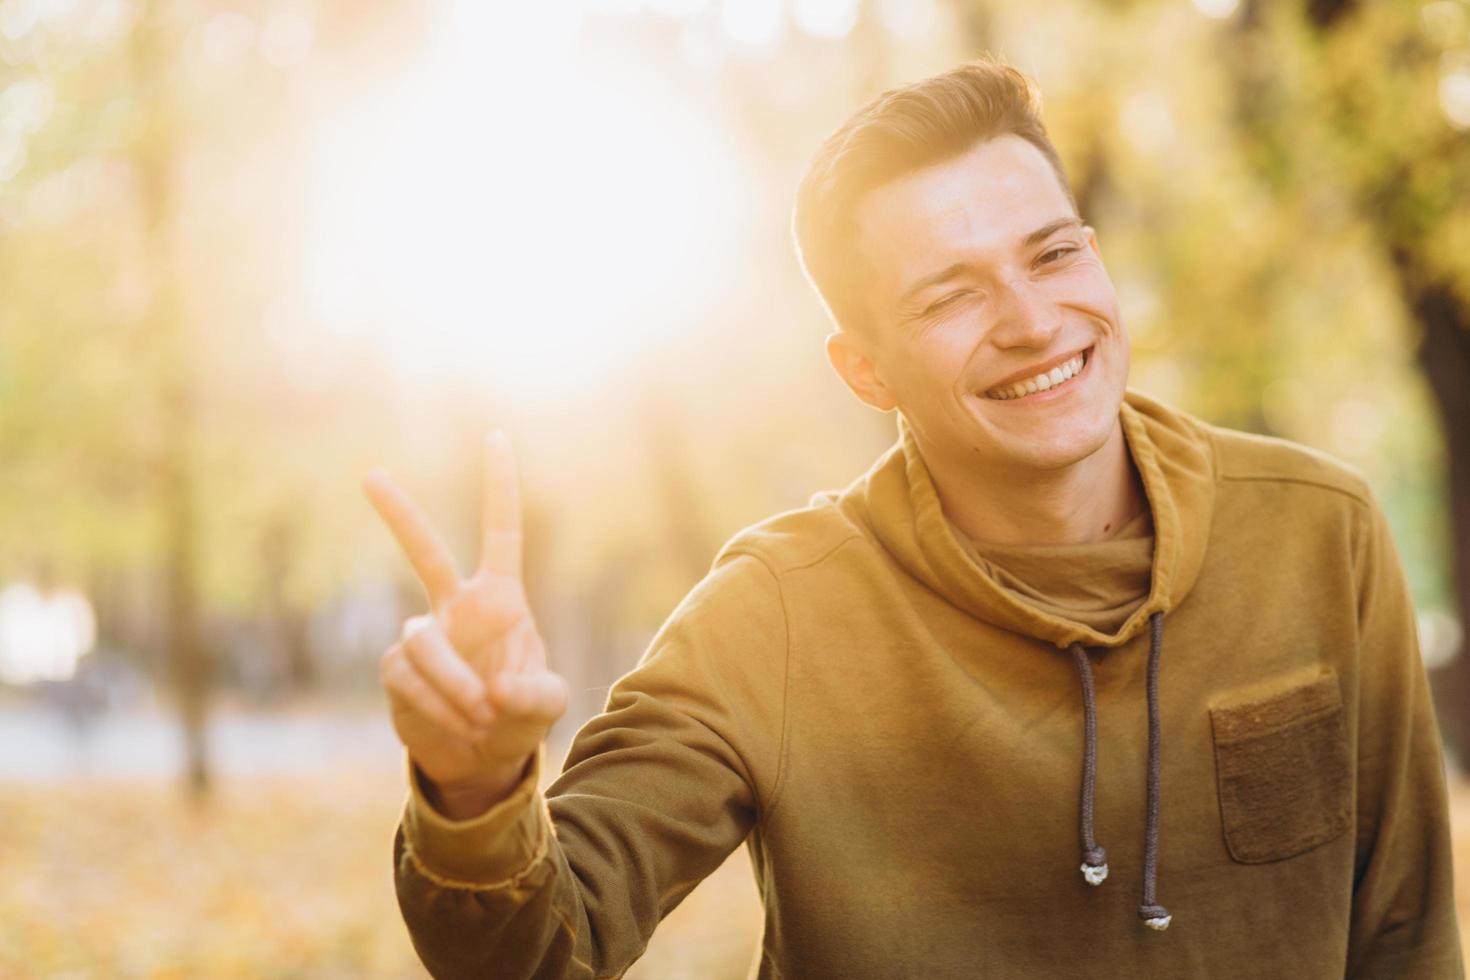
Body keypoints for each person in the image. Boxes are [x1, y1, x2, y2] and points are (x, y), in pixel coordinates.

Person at [364, 57, 1464, 978]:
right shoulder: (775, 615)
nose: (1035, 322)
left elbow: (1407, 932)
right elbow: (538, 945)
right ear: (866, 370)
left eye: (1053, 252)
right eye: (950, 295)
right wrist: (476, 785)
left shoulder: (1321, 532)